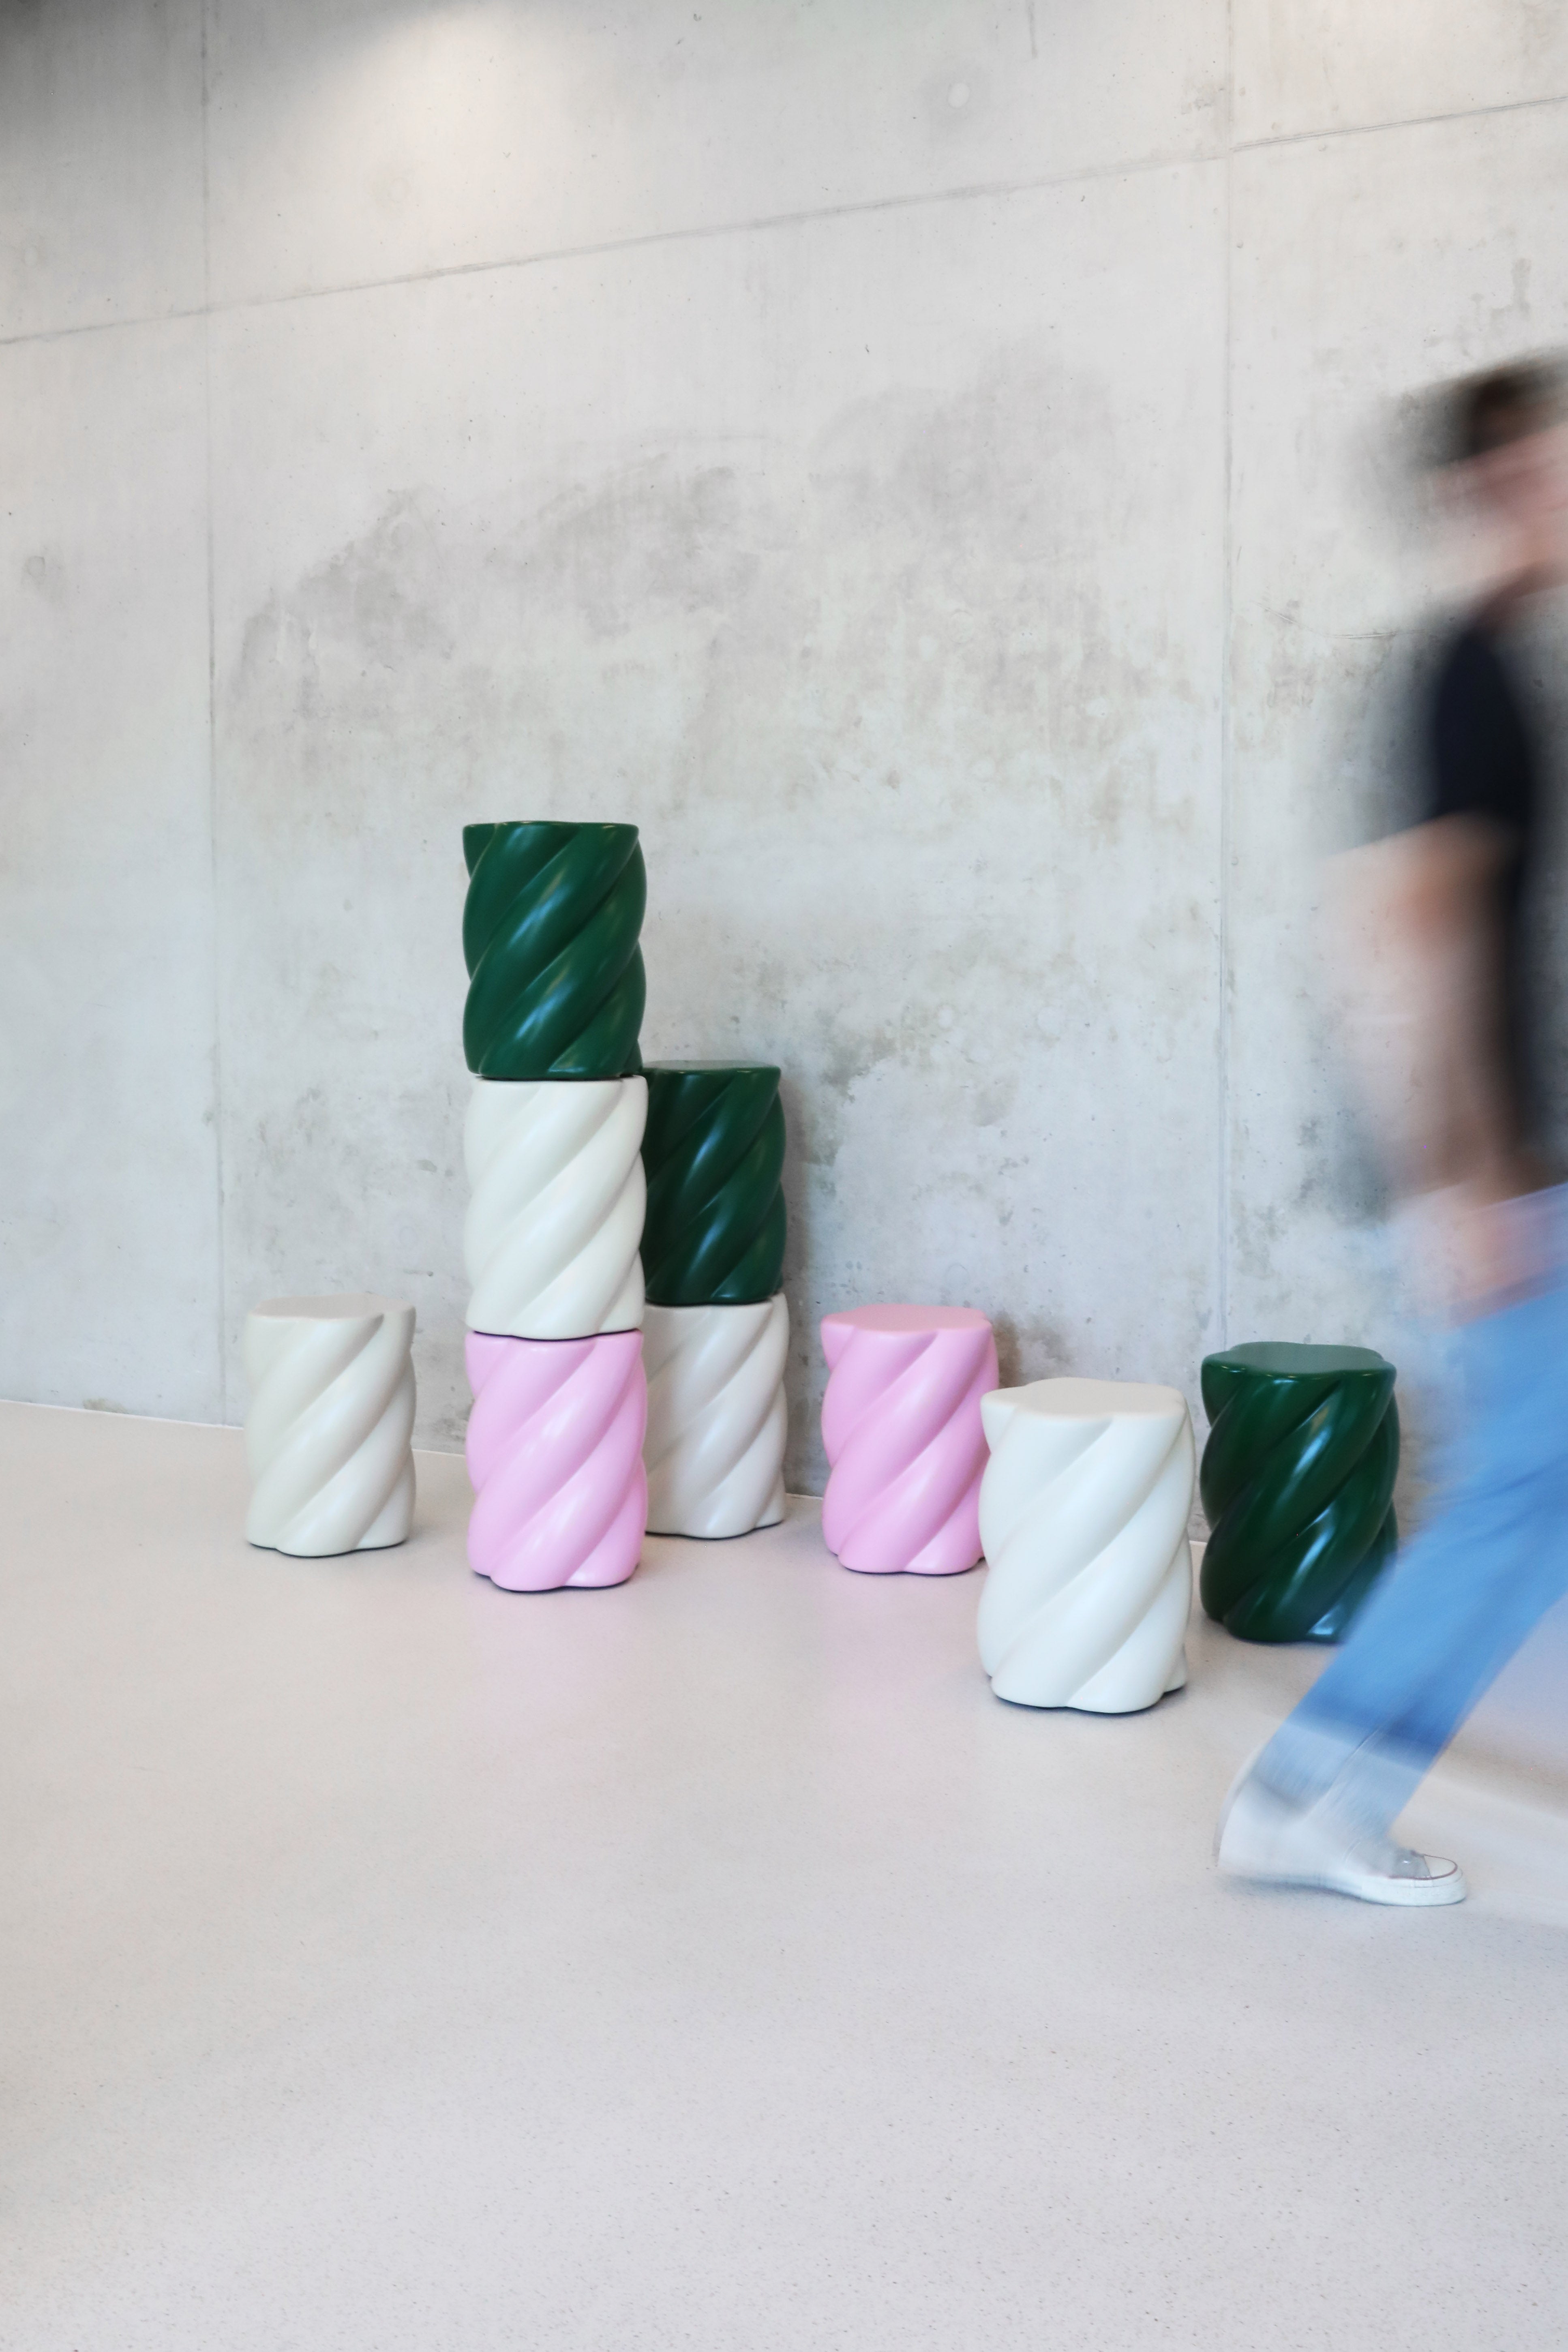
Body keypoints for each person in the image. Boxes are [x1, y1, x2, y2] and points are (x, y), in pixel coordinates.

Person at [1217, 361, 1568, 1906]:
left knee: (1535, 1487)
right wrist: (1459, 1176)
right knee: (1516, 1485)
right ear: (1492, 488)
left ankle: (1322, 1791)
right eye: (1552, 465)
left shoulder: (1497, 667)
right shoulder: (1466, 674)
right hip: (1480, 1169)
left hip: (1508, 1162)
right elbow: (1407, 920)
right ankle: (1301, 1792)